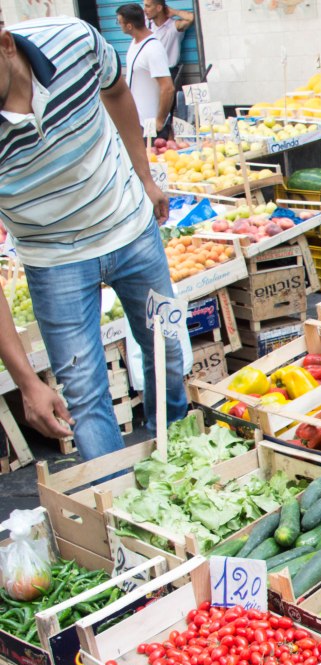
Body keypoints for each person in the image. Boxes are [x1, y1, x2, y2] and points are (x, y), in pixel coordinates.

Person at [0, 14, 187, 459]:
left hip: (131, 229)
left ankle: (182, 457)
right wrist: (27, 381)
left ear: (5, 43)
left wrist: (144, 176)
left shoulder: (74, 40)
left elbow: (117, 91)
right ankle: (117, 511)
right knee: (85, 396)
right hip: (53, 263)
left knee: (168, 352)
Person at [117, 4, 172, 139]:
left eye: (119, 22)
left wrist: (160, 121)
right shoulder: (134, 43)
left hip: (150, 125)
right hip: (136, 122)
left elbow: (168, 88)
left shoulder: (153, 48)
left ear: (129, 26)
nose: (119, 26)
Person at [143, 0, 192, 77]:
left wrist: (174, 12)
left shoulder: (173, 26)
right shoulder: (147, 24)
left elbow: (192, 17)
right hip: (150, 72)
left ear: (159, 8)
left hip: (168, 73)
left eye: (148, 6)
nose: (144, 10)